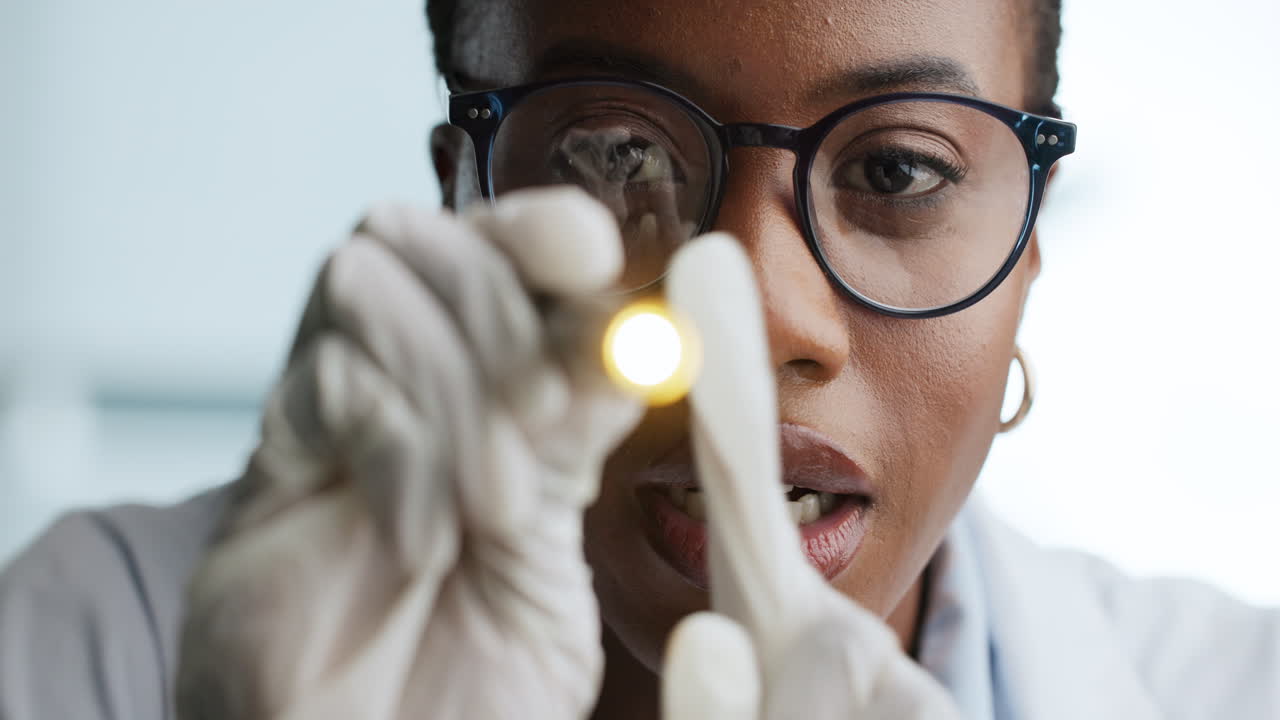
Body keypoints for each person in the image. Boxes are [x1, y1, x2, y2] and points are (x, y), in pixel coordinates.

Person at [1, 1, 1276, 718]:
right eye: (617, 154)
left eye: (896, 170)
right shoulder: (93, 648)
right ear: (462, 196)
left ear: (1029, 238)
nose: (763, 315)